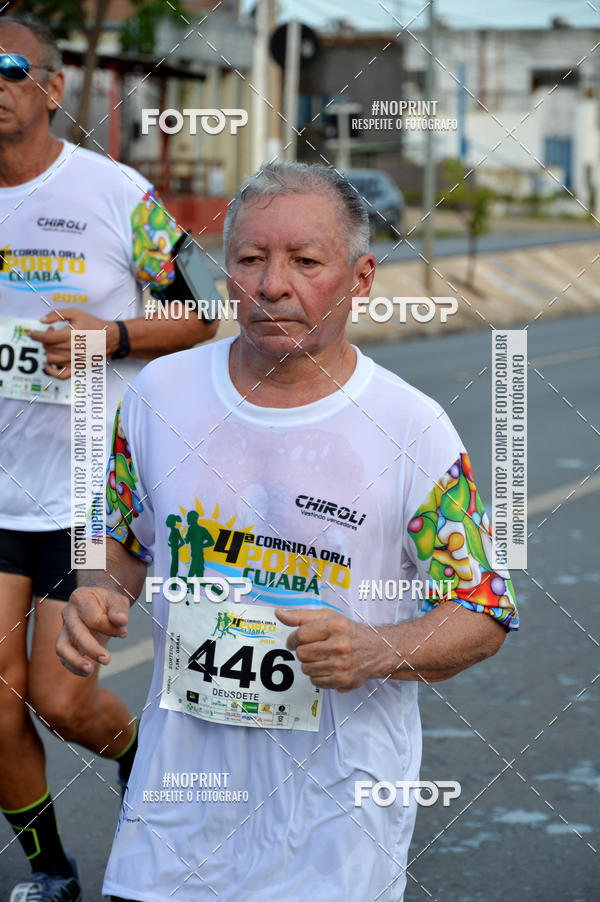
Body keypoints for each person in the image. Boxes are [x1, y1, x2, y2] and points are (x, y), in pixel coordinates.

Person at [58, 162, 519, 902]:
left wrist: (377, 649)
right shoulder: (159, 394)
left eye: (306, 262)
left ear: (360, 277)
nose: (272, 285)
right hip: (174, 821)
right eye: (248, 259)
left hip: (333, 832)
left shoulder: (411, 428)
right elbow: (115, 538)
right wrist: (93, 595)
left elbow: (485, 612)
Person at [0, 14, 217, 902]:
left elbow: (200, 318)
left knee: (58, 695)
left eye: (9, 66)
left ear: (52, 89)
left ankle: (141, 762)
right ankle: (51, 872)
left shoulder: (118, 192)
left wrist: (113, 334)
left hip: (90, 487)